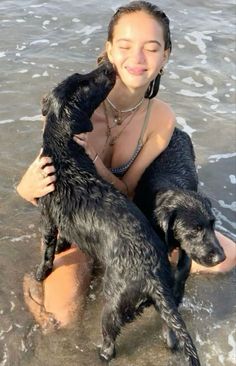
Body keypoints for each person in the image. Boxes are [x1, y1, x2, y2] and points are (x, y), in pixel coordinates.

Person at [18, 1, 236, 330]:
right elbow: (45, 184)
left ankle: (119, 267)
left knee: (225, 258)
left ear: (166, 56)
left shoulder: (159, 117)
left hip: (123, 222)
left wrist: (92, 158)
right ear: (108, 50)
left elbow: (129, 190)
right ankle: (35, 285)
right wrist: (25, 188)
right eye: (125, 46)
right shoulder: (71, 106)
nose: (137, 59)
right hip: (76, 226)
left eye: (151, 48)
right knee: (60, 319)